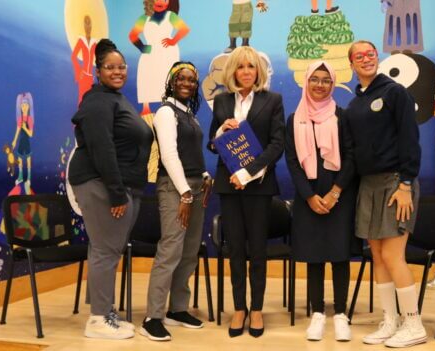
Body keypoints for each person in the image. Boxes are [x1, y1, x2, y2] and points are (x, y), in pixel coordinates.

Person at [68, 38, 153, 340]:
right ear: (98, 70)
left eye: (121, 66)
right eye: (110, 67)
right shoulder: (97, 102)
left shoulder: (114, 98)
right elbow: (102, 148)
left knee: (105, 249)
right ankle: (98, 319)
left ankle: (104, 312)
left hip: (117, 184)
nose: (118, 71)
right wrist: (117, 193)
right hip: (100, 183)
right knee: (106, 250)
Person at [345, 40, 426, 348]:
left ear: (377, 58)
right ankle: (390, 321)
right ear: (351, 64)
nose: (366, 59)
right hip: (369, 185)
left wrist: (406, 184)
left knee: (393, 255)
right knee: (378, 256)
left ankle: (413, 323)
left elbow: (409, 139)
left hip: (396, 184)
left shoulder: (395, 92)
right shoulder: (354, 104)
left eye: (370, 54)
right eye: (359, 56)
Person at [208, 46, 285, 338]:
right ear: (233, 72)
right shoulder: (222, 101)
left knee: (258, 250)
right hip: (229, 186)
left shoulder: (273, 100)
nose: (246, 72)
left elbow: (277, 144)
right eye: (240, 67)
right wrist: (220, 131)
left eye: (251, 67)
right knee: (236, 249)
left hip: (259, 186)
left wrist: (248, 172)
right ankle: (239, 308)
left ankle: (256, 310)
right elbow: (213, 145)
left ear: (259, 71)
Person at [284, 61, 356, 342]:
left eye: (326, 80)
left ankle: (340, 314)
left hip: (340, 194)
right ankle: (317, 313)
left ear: (333, 84)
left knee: (339, 255)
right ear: (306, 82)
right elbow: (292, 162)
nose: (320, 85)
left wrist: (335, 192)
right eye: (315, 79)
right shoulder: (294, 119)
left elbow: (351, 157)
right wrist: (310, 196)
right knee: (314, 257)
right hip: (308, 197)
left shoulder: (343, 116)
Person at [141, 62, 213, 341]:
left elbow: (189, 154)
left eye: (191, 80)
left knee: (189, 251)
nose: (186, 83)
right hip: (175, 189)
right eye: (181, 78)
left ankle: (178, 309)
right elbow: (169, 156)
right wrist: (184, 192)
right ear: (171, 82)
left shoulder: (189, 114)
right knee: (171, 249)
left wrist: (204, 175)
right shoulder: (165, 112)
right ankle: (152, 317)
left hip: (194, 186)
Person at [129, 0, 189, 117]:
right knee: (147, 77)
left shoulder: (170, 16)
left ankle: (169, 105)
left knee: (168, 78)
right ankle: (146, 109)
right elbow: (132, 35)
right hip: (150, 54)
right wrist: (142, 47)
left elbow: (184, 29)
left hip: (168, 53)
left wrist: (173, 41)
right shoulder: (144, 18)